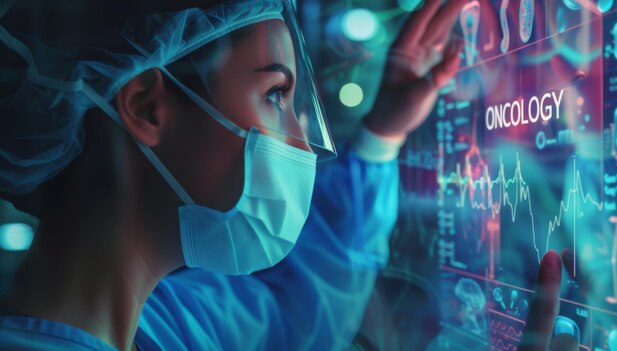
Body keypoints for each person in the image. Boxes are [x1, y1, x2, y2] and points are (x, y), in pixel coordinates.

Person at [0, 0, 568, 350]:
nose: (302, 145)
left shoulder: (161, 323)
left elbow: (291, 313)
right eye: (276, 94)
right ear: (148, 107)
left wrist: (382, 133)